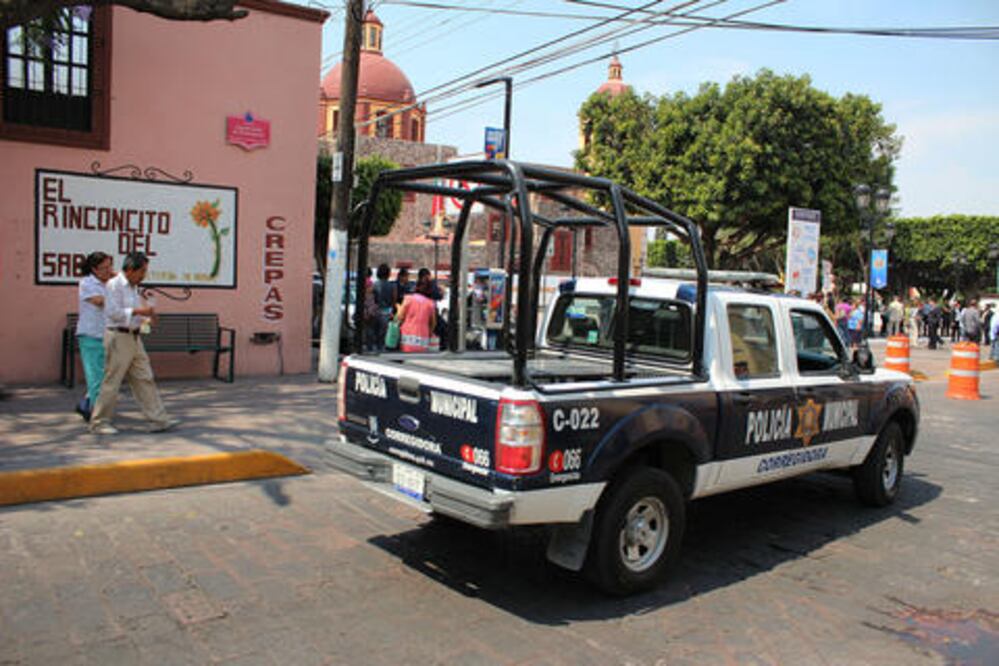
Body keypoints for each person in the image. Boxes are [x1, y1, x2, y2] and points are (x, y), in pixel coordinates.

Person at [88, 252, 179, 435]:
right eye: (142, 271)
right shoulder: (114, 285)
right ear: (130, 269)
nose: (143, 275)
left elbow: (135, 315)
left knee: (144, 378)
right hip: (118, 337)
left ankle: (159, 419)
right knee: (112, 381)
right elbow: (113, 313)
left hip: (134, 337)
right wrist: (140, 311)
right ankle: (99, 422)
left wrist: (148, 319)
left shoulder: (133, 288)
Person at [75, 252, 114, 421]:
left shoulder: (111, 283)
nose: (108, 271)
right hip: (91, 336)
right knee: (96, 378)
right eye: (104, 268)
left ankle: (85, 405)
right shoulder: (87, 283)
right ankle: (99, 417)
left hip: (108, 335)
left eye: (110, 267)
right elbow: (99, 301)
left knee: (105, 377)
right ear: (94, 269)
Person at [396, 269, 437, 352]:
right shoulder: (430, 304)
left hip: (406, 340)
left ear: (416, 287)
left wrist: (398, 307)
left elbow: (400, 317)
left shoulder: (408, 299)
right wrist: (429, 332)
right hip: (423, 341)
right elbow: (433, 323)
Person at [372, 263, 397, 351]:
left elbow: (373, 299)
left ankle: (375, 347)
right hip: (387, 312)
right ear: (388, 273)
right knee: (384, 333)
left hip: (376, 311)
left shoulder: (374, 285)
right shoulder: (392, 286)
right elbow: (394, 300)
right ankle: (382, 348)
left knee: (375, 332)